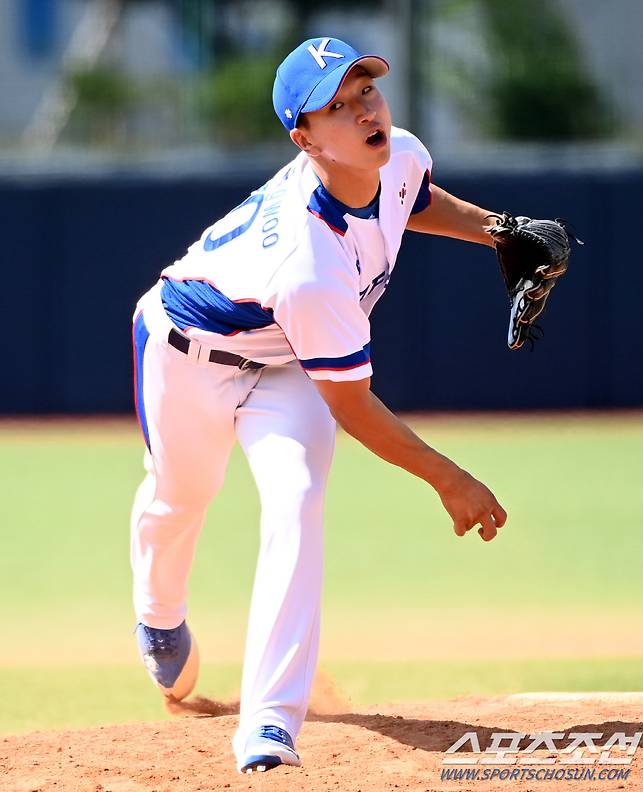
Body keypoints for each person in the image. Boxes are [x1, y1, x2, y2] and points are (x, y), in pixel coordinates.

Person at [130, 36, 507, 775]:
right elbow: (355, 407)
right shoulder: (308, 262)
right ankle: (158, 616)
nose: (364, 108)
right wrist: (448, 477)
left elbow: (413, 196)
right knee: (183, 497)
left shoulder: (395, 152)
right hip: (188, 350)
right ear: (304, 139)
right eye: (336, 106)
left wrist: (499, 232)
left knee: (296, 498)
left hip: (286, 365)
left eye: (364, 89)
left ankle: (268, 724)